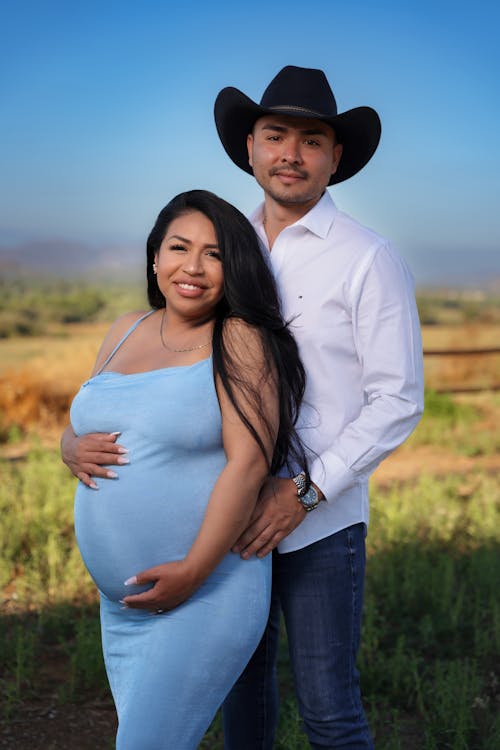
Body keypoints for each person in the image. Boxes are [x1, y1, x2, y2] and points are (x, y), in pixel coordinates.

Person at [212, 66, 424, 749]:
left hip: (322, 526)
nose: (291, 154)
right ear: (251, 147)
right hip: (229, 510)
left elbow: (398, 400)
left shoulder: (368, 258)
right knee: (241, 694)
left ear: (336, 158)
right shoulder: (223, 251)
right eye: (276, 135)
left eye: (311, 140)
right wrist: (78, 436)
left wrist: (302, 492)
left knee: (329, 709)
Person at [64, 189, 309, 750]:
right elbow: (90, 414)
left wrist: (194, 572)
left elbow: (249, 465)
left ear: (235, 268)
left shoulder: (238, 337)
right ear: (155, 257)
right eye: (179, 248)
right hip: (122, 605)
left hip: (205, 593)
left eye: (215, 254)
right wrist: (67, 446)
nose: (193, 267)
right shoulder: (125, 328)